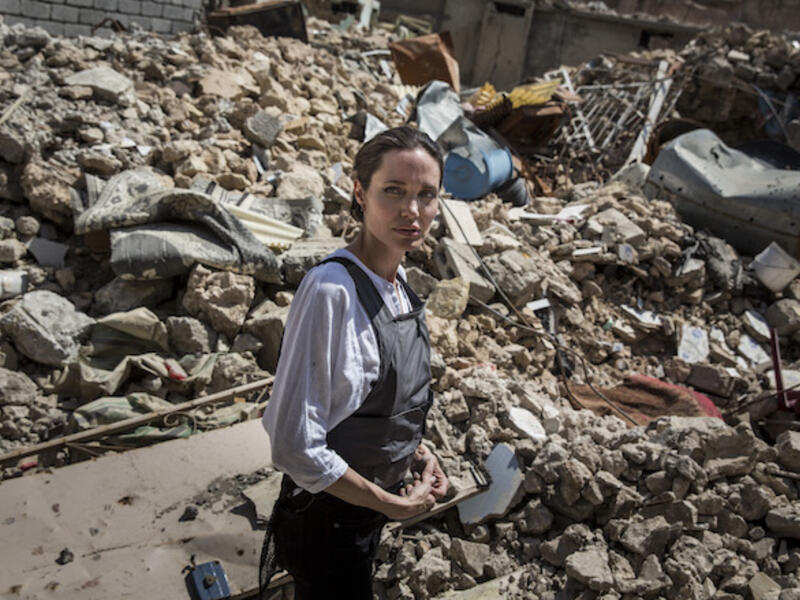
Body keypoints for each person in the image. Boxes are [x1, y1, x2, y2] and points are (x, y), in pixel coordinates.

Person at [260, 126, 449, 599]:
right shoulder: (331, 291)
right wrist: (386, 501)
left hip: (364, 515)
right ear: (360, 194)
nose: (412, 210)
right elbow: (293, 444)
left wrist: (417, 453)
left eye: (426, 195)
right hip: (327, 524)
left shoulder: (399, 283)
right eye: (394, 191)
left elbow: (372, 404)